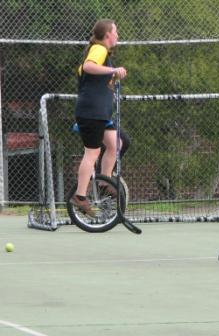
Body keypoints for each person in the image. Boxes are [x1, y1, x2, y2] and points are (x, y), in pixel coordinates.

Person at [70, 19, 128, 217]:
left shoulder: (103, 53)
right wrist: (113, 70)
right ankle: (80, 196)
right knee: (92, 153)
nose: (118, 36)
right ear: (107, 35)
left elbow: (94, 77)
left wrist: (112, 77)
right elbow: (88, 66)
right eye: (116, 31)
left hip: (100, 113)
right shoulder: (99, 49)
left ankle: (103, 182)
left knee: (116, 144)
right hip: (90, 112)